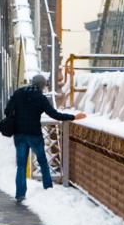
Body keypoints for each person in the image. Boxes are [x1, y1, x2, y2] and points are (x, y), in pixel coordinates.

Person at [4, 73, 76, 203]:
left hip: (19, 134)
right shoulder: (40, 98)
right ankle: (47, 188)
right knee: (42, 161)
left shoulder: (19, 93)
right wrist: (73, 117)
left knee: (21, 165)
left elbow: (7, 110)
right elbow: (54, 114)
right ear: (42, 85)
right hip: (34, 134)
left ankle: (20, 194)